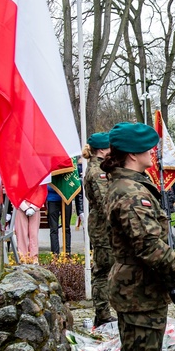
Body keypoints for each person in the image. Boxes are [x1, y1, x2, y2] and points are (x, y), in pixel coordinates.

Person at [101, 122, 175, 351]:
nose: (155, 152)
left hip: (138, 287)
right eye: (150, 147)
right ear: (133, 154)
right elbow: (150, 247)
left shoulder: (129, 185)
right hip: (139, 289)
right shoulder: (131, 194)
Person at [82, 132, 116, 327]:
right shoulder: (98, 172)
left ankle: (103, 312)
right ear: (103, 149)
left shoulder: (99, 168)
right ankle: (102, 314)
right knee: (103, 270)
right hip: (103, 227)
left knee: (106, 269)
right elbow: (106, 202)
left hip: (102, 225)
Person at [46, 184, 72, 255]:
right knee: (53, 229)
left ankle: (67, 252)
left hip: (67, 198)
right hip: (52, 199)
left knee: (66, 227)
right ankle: (55, 254)